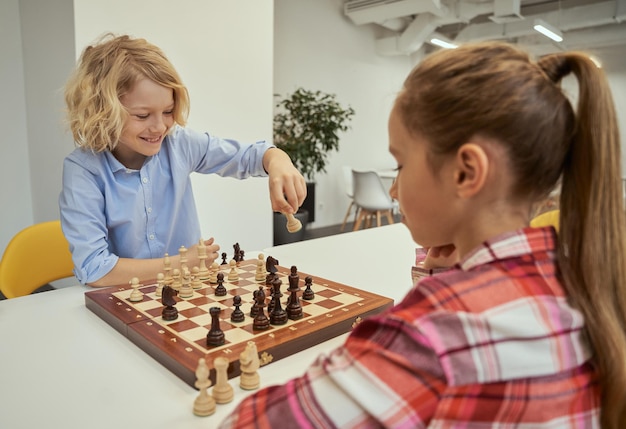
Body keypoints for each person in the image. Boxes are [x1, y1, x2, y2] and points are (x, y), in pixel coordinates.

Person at [220, 42, 626, 428]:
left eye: (400, 164)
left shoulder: (431, 334)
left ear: (466, 172)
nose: (394, 189)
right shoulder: (585, 277)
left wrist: (424, 306)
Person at [59, 34, 306, 287]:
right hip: (119, 302)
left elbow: (249, 155)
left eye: (167, 111)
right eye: (142, 115)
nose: (159, 127)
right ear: (102, 112)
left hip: (187, 295)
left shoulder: (179, 144)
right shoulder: (83, 171)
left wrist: (277, 161)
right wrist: (183, 263)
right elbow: (96, 270)